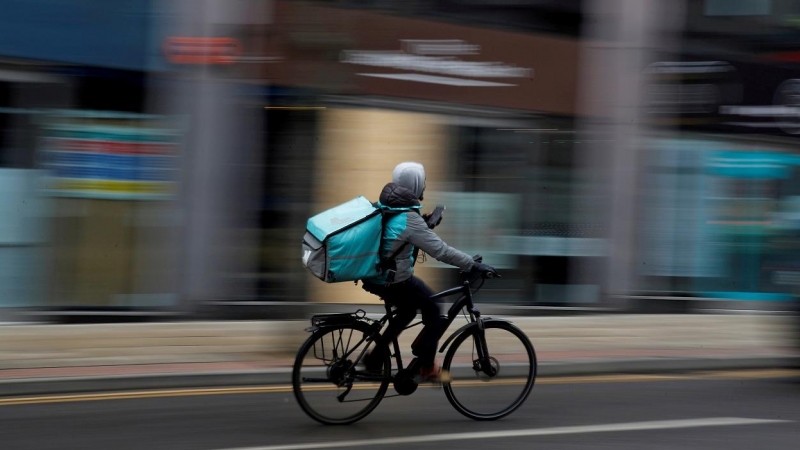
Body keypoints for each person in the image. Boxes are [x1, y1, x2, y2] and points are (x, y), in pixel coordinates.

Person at [361, 162, 499, 382]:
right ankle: (426, 367)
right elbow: (441, 251)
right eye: (422, 183)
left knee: (407, 311)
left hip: (378, 276)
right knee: (435, 308)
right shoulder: (409, 218)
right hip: (393, 280)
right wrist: (472, 265)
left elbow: (398, 233)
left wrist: (425, 224)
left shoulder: (391, 205)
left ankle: (375, 359)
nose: (424, 188)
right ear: (415, 185)